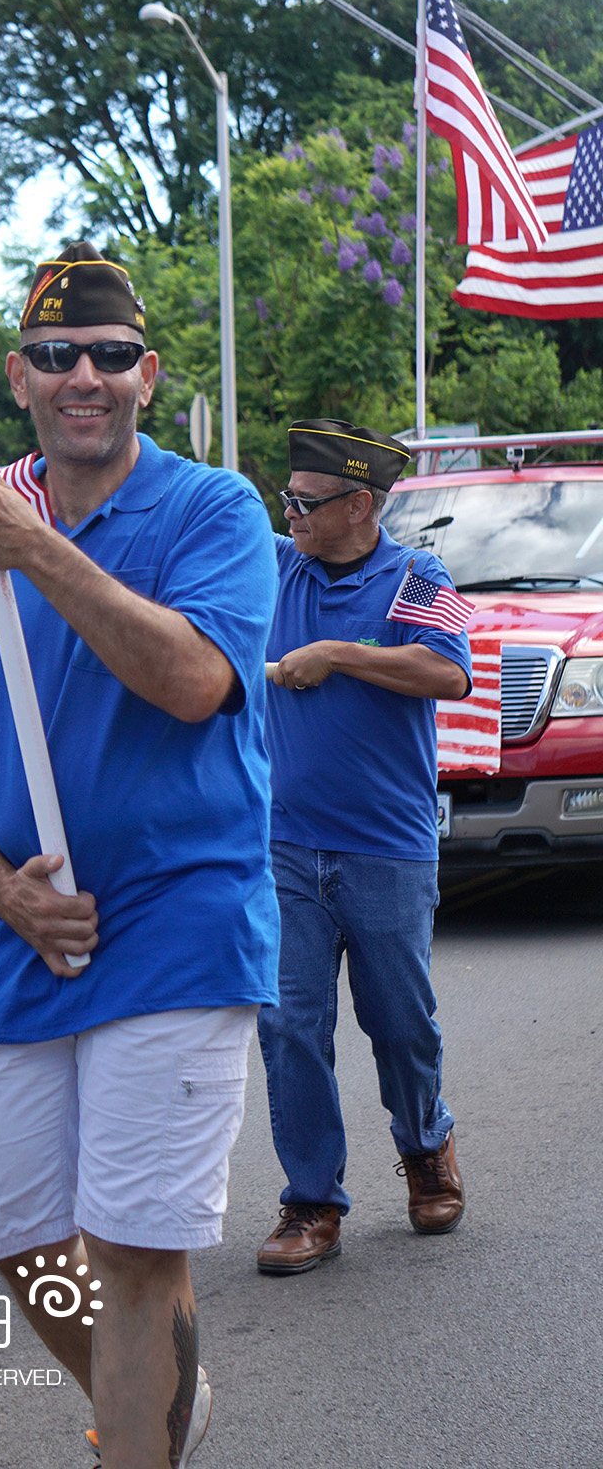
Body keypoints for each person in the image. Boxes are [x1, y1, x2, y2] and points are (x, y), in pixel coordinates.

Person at [0, 242, 279, 1468]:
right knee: (2, 1222)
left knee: (135, 1243)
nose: (84, 377)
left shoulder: (217, 510)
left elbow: (194, 679)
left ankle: (135, 1439)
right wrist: (0, 888)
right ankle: (157, 1401)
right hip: (21, 934)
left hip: (178, 922)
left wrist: (40, 547)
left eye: (110, 357)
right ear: (18, 377)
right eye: (57, 358)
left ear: (148, 374)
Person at [255, 418, 472, 1276]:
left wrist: (339, 656)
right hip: (283, 846)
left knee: (399, 1024)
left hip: (387, 848)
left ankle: (426, 1147)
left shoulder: (418, 573)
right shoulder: (277, 566)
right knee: (287, 1024)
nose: (293, 513)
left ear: (362, 503)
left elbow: (447, 672)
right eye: (288, 499)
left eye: (307, 502)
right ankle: (312, 1200)